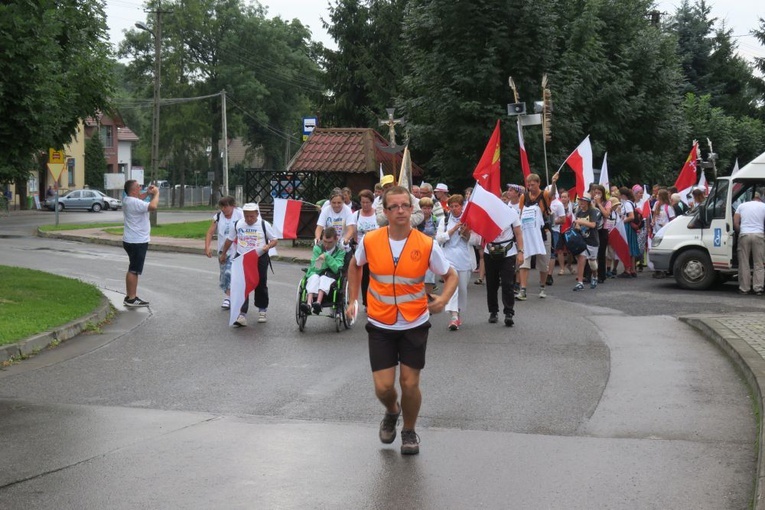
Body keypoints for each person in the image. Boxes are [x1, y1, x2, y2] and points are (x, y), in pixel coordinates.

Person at [346, 186, 458, 455]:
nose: (400, 211)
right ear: (384, 212)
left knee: (409, 383)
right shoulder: (371, 240)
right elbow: (354, 264)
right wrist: (352, 299)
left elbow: (451, 275)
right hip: (381, 323)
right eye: (393, 206)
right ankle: (391, 410)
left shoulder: (426, 244)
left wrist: (442, 300)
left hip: (414, 322)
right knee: (384, 388)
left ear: (412, 210)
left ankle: (409, 430)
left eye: (404, 206)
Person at [219, 203, 278, 327]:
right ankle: (241, 314)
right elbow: (229, 240)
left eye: (252, 216)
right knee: (241, 285)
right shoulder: (238, 224)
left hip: (259, 257)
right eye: (246, 216)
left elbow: (274, 239)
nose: (249, 219)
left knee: (260, 283)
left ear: (257, 214)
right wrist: (223, 253)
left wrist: (268, 246)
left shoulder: (264, 224)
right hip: (242, 257)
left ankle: (262, 309)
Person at [436, 194, 481, 331]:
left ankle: (457, 311)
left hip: (465, 259)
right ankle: (453, 316)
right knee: (452, 286)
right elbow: (438, 239)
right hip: (449, 258)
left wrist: (466, 234)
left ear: (462, 206)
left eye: (457, 206)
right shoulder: (444, 220)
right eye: (452, 206)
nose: (454, 209)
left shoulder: (470, 220)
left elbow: (477, 241)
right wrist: (453, 230)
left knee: (462, 289)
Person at [517, 172, 559, 300]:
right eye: (529, 185)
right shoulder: (524, 197)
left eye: (533, 185)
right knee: (524, 262)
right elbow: (520, 214)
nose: (530, 187)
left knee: (542, 263)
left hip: (543, 234)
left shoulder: (544, 195)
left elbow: (552, 194)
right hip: (527, 234)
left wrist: (553, 183)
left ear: (538, 183)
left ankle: (542, 287)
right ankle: (523, 289)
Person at [484, 202, 524, 327]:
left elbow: (518, 233)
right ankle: (493, 311)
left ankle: (509, 313)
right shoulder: (487, 213)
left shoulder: (512, 213)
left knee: (508, 283)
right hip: (490, 251)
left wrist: (521, 252)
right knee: (491, 283)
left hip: (508, 252)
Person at [121, 180, 159, 307]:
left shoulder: (127, 200)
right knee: (134, 270)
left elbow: (140, 198)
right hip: (137, 241)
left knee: (133, 268)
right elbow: (153, 207)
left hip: (130, 239)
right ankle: (131, 298)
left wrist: (148, 193)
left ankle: (130, 296)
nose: (141, 188)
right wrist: (156, 194)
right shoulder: (134, 202)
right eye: (138, 187)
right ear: (133, 190)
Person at [204, 196, 244, 309]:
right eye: (221, 206)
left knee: (229, 272)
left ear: (233, 206)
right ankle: (229, 296)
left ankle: (229, 298)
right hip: (223, 251)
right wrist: (207, 247)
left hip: (237, 249)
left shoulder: (240, 214)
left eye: (226, 206)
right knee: (224, 275)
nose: (223, 209)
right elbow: (210, 233)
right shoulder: (217, 217)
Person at [301, 228, 347, 314]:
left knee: (324, 278)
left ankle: (318, 303)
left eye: (329, 242)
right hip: (317, 273)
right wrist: (324, 263)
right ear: (322, 238)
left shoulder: (340, 250)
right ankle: (309, 304)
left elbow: (337, 268)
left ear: (336, 240)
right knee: (314, 277)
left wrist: (326, 257)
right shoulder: (317, 248)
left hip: (331, 276)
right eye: (324, 241)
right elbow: (315, 268)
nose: (326, 245)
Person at [733, 191, 765, 295]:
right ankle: (758, 288)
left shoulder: (741, 206)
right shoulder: (763, 206)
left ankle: (744, 288)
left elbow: (736, 223)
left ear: (751, 198)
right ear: (759, 198)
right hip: (759, 235)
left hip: (744, 235)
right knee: (759, 263)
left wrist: (740, 232)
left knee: (744, 263)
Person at [352, 189, 380, 307]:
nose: (365, 205)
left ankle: (376, 300)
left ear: (371, 202)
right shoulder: (356, 214)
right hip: (361, 249)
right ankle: (366, 302)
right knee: (364, 278)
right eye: (363, 202)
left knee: (375, 276)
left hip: (376, 249)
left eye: (367, 202)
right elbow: (353, 230)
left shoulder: (377, 214)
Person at [572, 193, 601, 290]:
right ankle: (580, 282)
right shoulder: (579, 212)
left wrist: (580, 222)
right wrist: (577, 226)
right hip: (582, 240)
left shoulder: (592, 211)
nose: (581, 202)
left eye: (584, 201)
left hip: (592, 240)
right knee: (581, 259)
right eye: (580, 200)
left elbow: (593, 225)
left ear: (588, 202)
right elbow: (577, 225)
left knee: (592, 262)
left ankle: (595, 276)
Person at [416, 196, 441, 296]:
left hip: (430, 249)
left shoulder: (435, 220)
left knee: (429, 276)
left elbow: (439, 235)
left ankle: (429, 301)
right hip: (418, 249)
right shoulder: (416, 220)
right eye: (424, 208)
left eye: (429, 208)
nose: (427, 210)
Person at [590, 184, 610, 283]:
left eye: (599, 193)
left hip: (603, 230)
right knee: (591, 253)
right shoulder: (591, 202)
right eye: (595, 193)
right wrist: (593, 205)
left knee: (601, 253)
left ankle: (602, 275)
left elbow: (606, 214)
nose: (597, 195)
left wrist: (599, 204)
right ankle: (590, 274)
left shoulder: (607, 202)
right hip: (593, 230)